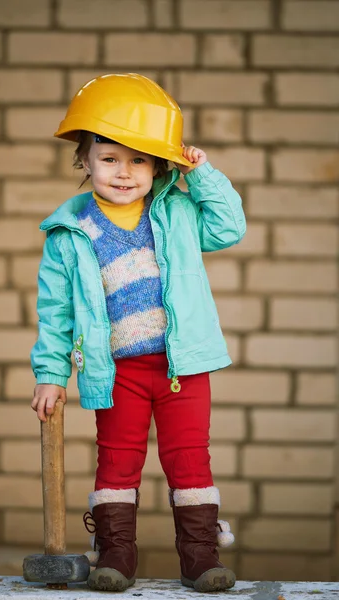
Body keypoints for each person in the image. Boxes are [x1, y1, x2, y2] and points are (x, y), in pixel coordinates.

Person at [30, 73, 245, 594]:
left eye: (139, 160)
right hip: (118, 370)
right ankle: (115, 557)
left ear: (158, 165)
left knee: (189, 458)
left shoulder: (177, 211)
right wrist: (51, 374)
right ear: (84, 159)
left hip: (180, 368)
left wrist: (205, 173)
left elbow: (229, 227)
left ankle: (199, 558)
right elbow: (55, 313)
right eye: (108, 158)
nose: (123, 173)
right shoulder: (69, 234)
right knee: (118, 460)